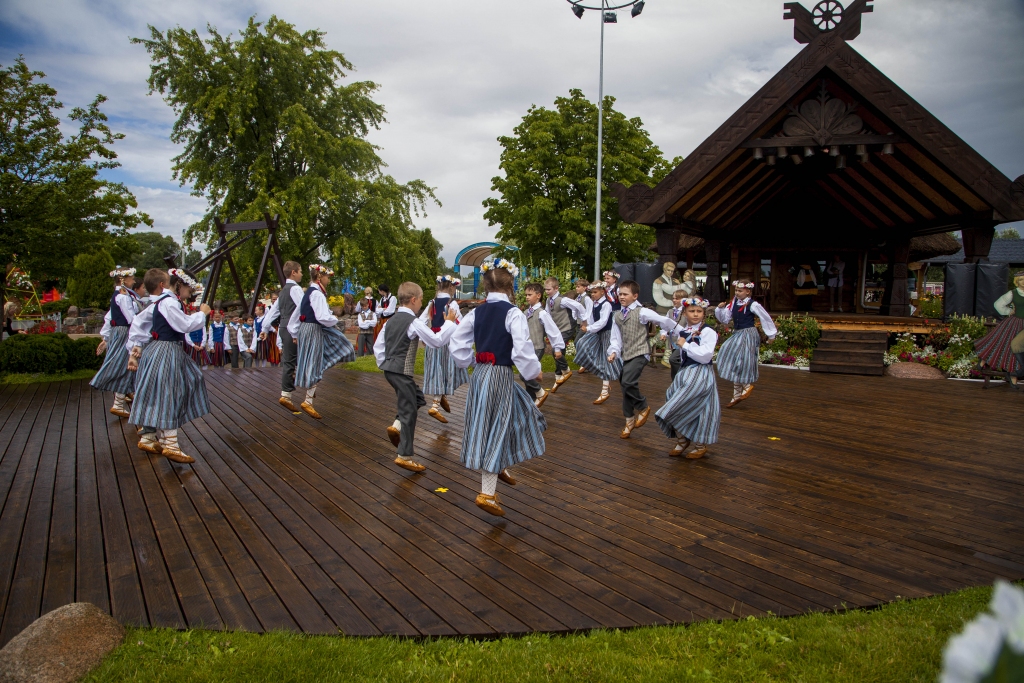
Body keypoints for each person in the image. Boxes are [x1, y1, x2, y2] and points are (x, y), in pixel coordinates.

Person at [449, 258, 546, 517]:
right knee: (498, 424)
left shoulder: (476, 312)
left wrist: (470, 360)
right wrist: (534, 372)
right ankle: (487, 492)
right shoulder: (513, 312)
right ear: (511, 283)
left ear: (485, 285)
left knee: (514, 413)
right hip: (500, 375)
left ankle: (500, 464)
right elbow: (522, 348)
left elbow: (457, 342)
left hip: (480, 375)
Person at [126, 268, 211, 464]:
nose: (190, 293)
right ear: (179, 285)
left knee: (167, 388)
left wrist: (136, 347)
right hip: (166, 351)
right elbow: (184, 325)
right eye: (189, 288)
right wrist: (202, 314)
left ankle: (150, 438)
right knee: (171, 392)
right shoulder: (169, 302)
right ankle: (170, 444)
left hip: (158, 350)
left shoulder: (159, 302)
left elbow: (139, 321)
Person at [375, 282, 459, 472]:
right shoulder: (412, 322)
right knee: (408, 411)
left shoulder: (391, 321)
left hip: (390, 370)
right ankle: (404, 455)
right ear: (413, 300)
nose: (421, 304)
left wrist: (385, 364)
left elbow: (378, 347)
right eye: (420, 300)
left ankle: (396, 427)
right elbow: (436, 341)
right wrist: (449, 323)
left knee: (417, 398)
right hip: (401, 372)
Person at [607, 280, 676, 439]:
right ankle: (629, 419)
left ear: (635, 296)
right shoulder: (617, 315)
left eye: (625, 294)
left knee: (628, 382)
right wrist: (613, 352)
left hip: (640, 352)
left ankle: (643, 406)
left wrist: (677, 330)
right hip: (626, 354)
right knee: (624, 385)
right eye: (620, 294)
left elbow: (662, 320)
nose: (621, 297)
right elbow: (616, 338)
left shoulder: (642, 312)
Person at [655, 296, 720, 459]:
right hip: (685, 372)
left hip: (701, 372)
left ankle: (700, 444)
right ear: (685, 312)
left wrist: (685, 345)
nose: (696, 314)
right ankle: (682, 439)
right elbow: (666, 323)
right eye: (692, 311)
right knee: (672, 396)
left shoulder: (708, 331)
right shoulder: (685, 330)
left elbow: (706, 356)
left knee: (695, 405)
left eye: (699, 311)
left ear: (704, 313)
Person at [288, 264, 356, 418]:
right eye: (327, 277)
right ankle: (308, 400)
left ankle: (311, 389)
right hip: (314, 330)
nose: (328, 280)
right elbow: (322, 317)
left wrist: (294, 333)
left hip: (306, 329)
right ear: (319, 276)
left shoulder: (309, 292)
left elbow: (296, 314)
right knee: (317, 361)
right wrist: (334, 318)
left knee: (316, 360)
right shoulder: (317, 294)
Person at [715, 280, 777, 407]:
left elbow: (765, 317)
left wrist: (771, 335)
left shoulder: (753, 304)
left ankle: (746, 386)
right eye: (736, 290)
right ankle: (737, 393)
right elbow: (725, 319)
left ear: (748, 291)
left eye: (740, 290)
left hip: (748, 333)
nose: (737, 293)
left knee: (742, 360)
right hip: (738, 333)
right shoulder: (733, 304)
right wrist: (720, 309)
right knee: (730, 355)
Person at [90, 266, 139, 418]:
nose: (134, 280)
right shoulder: (123, 297)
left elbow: (109, 317)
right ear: (123, 279)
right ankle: (119, 402)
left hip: (120, 331)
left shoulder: (119, 295)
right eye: (131, 278)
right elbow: (131, 318)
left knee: (124, 364)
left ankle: (126, 396)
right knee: (124, 364)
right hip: (125, 332)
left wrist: (105, 337)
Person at [420, 275, 468, 423]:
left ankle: (442, 398)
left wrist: (424, 338)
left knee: (437, 369)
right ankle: (435, 406)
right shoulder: (451, 304)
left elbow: (422, 321)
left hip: (433, 340)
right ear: (452, 288)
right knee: (446, 370)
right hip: (445, 341)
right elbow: (459, 322)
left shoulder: (432, 302)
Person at [262, 261, 305, 410]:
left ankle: (288, 392)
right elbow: (302, 308)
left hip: (284, 327)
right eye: (300, 271)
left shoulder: (283, 291)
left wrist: (265, 329)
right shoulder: (295, 289)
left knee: (289, 360)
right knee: (299, 359)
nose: (302, 274)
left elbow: (273, 312)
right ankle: (292, 393)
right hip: (293, 328)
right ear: (293, 272)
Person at [572, 282, 622, 404]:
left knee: (607, 359)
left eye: (595, 292)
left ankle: (605, 390)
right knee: (581, 343)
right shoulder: (595, 304)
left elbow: (604, 321)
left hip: (607, 333)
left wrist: (589, 329)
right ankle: (600, 369)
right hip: (597, 332)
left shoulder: (606, 305)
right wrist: (587, 325)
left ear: (602, 292)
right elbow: (591, 317)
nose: (593, 295)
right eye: (592, 292)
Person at [975, 270, 1024, 386]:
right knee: (1002, 344)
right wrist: (1008, 311)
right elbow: (998, 304)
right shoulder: (1013, 293)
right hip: (1014, 323)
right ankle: (983, 361)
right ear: (1017, 281)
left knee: (1017, 349)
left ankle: (1014, 377)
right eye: (1021, 279)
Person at [520, 282, 564, 408]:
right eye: (526, 295)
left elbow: (553, 331)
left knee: (525, 374)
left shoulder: (542, 313)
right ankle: (531, 403)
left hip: (537, 347)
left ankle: (540, 392)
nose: (527, 297)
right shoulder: (526, 312)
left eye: (530, 294)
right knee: (530, 375)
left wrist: (558, 347)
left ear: (538, 295)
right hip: (528, 348)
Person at [542, 277, 577, 393]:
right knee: (559, 351)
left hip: (567, 327)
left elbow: (578, 306)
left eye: (549, 289)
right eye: (545, 290)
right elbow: (547, 314)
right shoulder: (548, 300)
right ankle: (558, 377)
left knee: (555, 350)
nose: (547, 292)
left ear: (556, 288)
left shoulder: (562, 300)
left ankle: (566, 370)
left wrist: (583, 319)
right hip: (557, 329)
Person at [660, 289, 686, 372]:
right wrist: (663, 333)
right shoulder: (670, 311)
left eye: (677, 298)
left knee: (673, 359)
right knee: (676, 360)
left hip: (683, 340)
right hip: (673, 340)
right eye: (673, 298)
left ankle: (680, 375)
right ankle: (676, 378)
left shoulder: (686, 311)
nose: (674, 300)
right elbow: (666, 324)